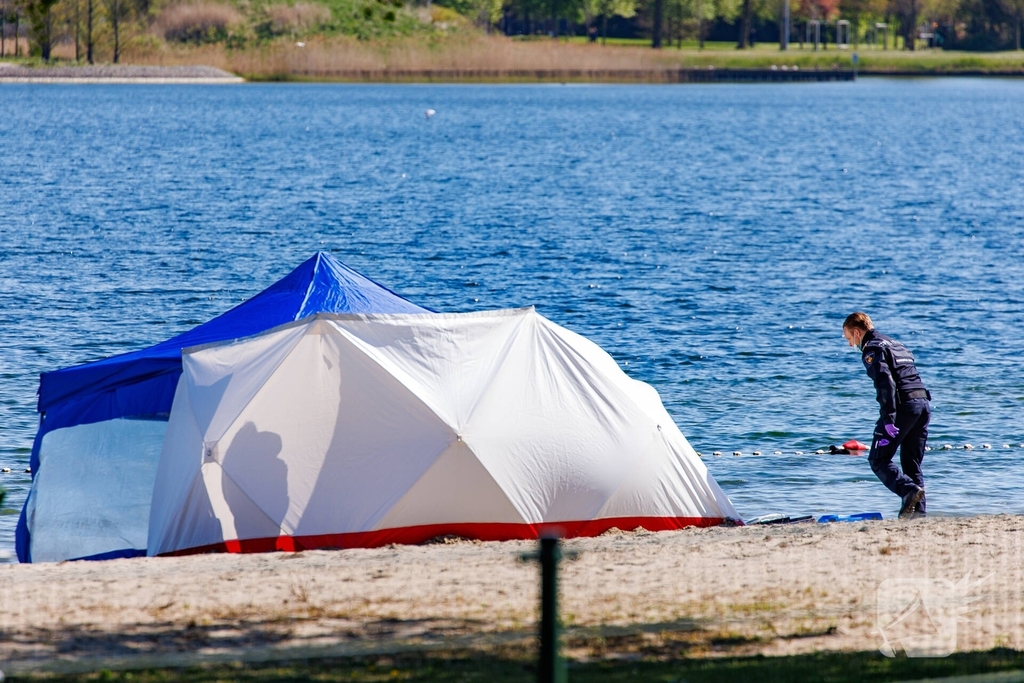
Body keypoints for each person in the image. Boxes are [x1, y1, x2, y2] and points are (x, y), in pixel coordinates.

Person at [843, 312, 931, 519]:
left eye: (849, 339)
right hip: (923, 406)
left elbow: (886, 383)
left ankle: (907, 490)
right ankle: (918, 514)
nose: (850, 345)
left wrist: (888, 418)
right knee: (911, 463)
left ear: (857, 332)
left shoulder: (872, 347)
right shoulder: (896, 344)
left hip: (903, 408)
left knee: (878, 460)